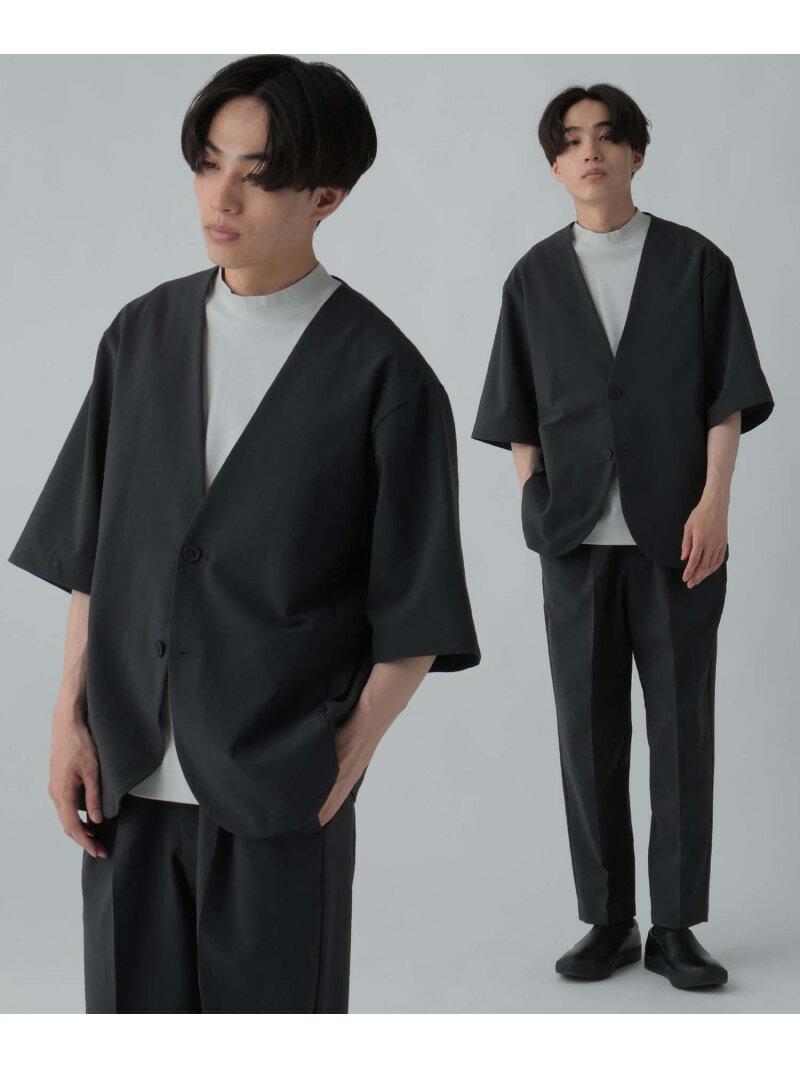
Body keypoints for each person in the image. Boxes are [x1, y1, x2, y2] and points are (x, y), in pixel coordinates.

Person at [8, 54, 480, 1013]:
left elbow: (419, 608)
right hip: (127, 782)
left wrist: (347, 754)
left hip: (275, 793)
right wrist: (67, 717)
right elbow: (95, 554)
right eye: (208, 163)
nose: (220, 198)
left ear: (326, 196)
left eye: (257, 175)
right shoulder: (140, 335)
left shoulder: (386, 377)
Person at [471, 83, 773, 990]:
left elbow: (727, 396)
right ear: (555, 164)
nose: (590, 152)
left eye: (606, 137)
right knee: (587, 732)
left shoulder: (696, 263)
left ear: (637, 153)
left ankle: (675, 927)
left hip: (677, 539)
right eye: (570, 140)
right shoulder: (533, 277)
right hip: (573, 541)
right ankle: (607, 919)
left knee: (681, 730)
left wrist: (715, 503)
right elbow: (516, 408)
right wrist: (533, 499)